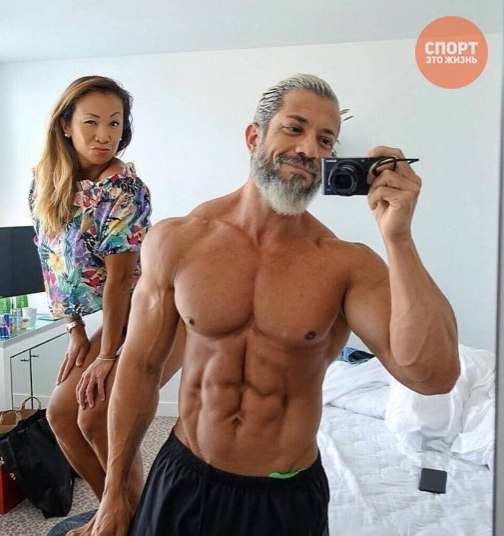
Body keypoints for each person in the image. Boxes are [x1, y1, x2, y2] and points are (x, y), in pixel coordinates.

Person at [83, 73, 460, 536]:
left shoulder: (345, 264)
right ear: (254, 136)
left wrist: (398, 238)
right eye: (294, 128)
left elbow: (433, 375)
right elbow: (140, 368)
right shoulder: (178, 240)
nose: (309, 149)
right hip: (185, 476)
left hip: (284, 498)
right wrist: (114, 492)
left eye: (325, 140)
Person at [29, 75, 183, 518]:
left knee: (95, 415)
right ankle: (117, 517)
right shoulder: (45, 183)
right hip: (118, 312)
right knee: (61, 416)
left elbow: (120, 281)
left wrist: (107, 355)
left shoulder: (123, 189)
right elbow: (51, 258)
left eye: (114, 123)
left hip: (158, 306)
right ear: (65, 125)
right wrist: (75, 329)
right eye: (92, 122)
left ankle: (134, 518)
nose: (104, 135)